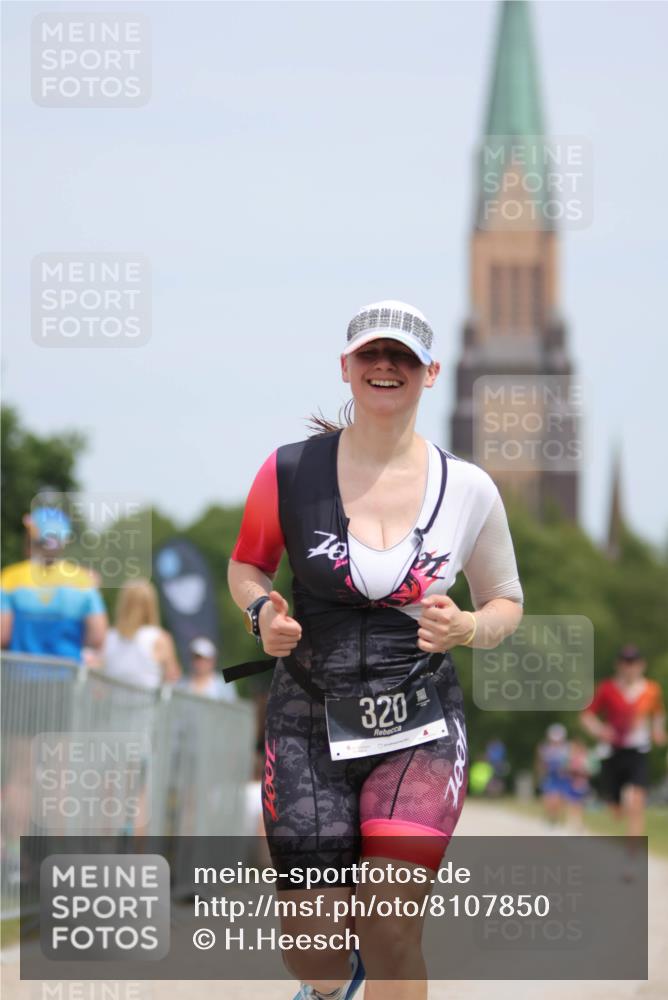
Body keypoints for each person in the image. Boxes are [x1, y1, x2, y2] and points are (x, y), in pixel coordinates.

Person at [227, 300, 524, 1000]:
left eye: (403, 357)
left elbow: (507, 600)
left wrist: (469, 629)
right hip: (308, 723)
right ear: (347, 367)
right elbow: (247, 565)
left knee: (389, 927)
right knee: (314, 952)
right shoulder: (289, 472)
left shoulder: (469, 489)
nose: (385, 366)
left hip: (416, 724)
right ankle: (330, 986)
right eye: (370, 355)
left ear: (430, 374)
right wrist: (262, 611)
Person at [580, 644, 667, 838]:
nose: (629, 667)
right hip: (612, 751)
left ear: (641, 665)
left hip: (638, 751)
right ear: (618, 665)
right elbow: (586, 716)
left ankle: (634, 849)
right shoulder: (607, 689)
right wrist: (600, 730)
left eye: (633, 663)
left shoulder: (651, 690)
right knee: (616, 808)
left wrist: (658, 731)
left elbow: (658, 714)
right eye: (625, 663)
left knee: (636, 799)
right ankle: (616, 805)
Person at [103, 578, 181, 689]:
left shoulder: (109, 637)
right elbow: (172, 676)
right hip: (145, 704)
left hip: (111, 703)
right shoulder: (159, 638)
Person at [177, 636, 237, 702]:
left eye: (204, 659)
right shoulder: (181, 684)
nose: (200, 663)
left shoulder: (225, 686)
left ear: (213, 661)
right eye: (197, 658)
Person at [534, 723, 570, 829]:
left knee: (559, 798)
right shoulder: (545, 748)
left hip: (562, 777)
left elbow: (570, 762)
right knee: (549, 797)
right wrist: (540, 772)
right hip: (550, 776)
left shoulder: (566, 748)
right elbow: (540, 763)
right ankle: (550, 816)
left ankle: (555, 817)